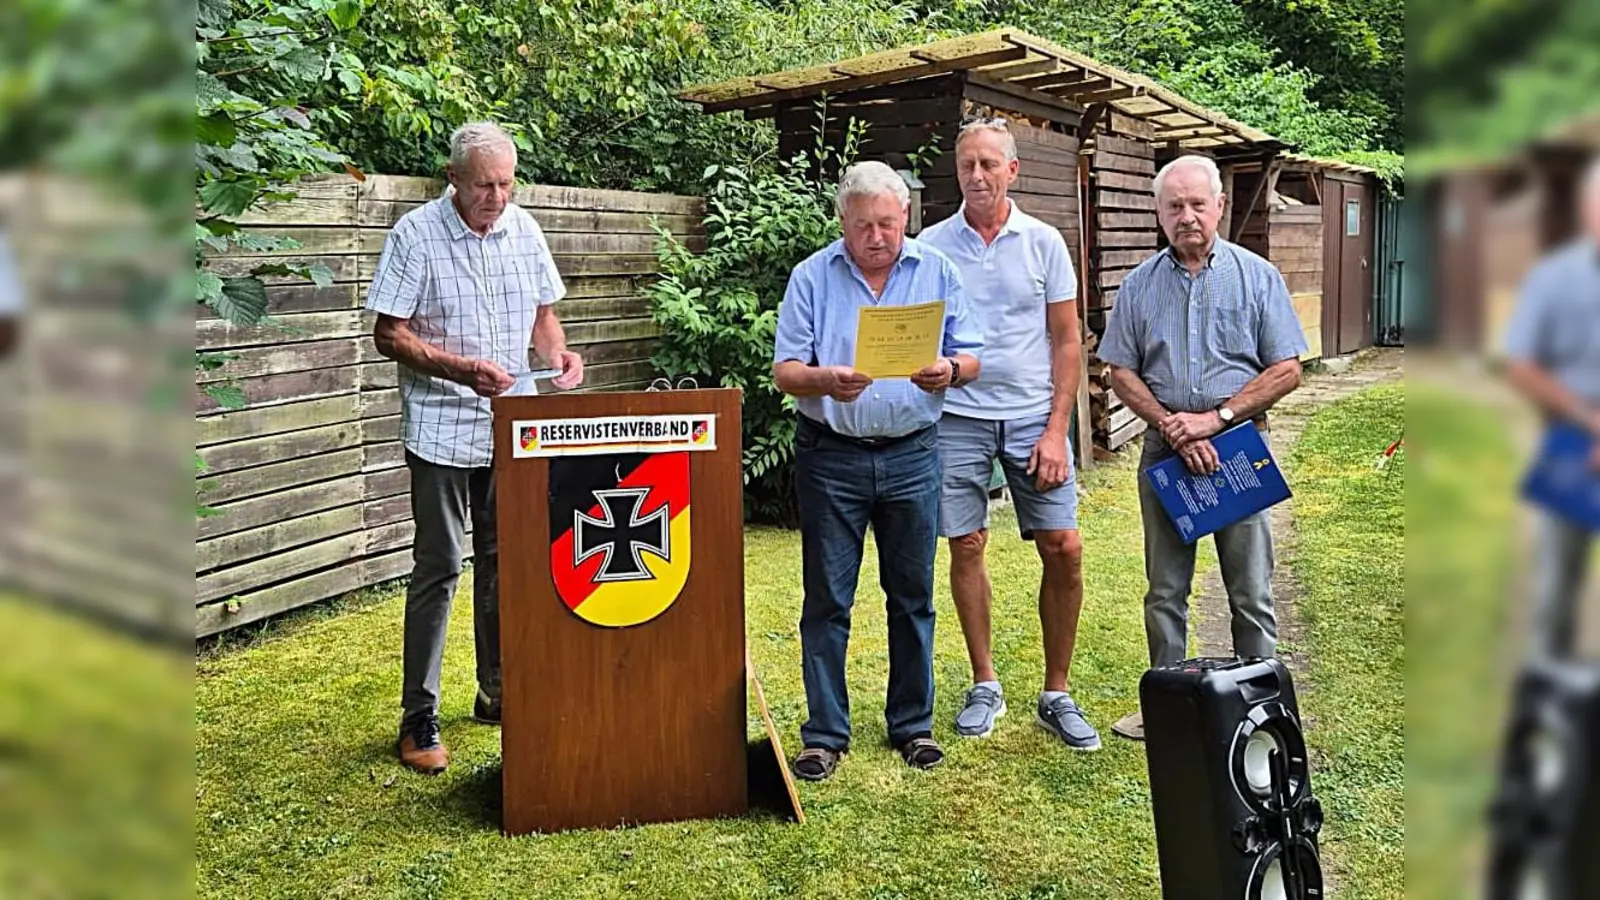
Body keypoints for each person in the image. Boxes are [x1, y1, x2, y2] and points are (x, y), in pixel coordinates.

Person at [365, 121, 584, 774]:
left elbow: (544, 317)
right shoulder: (414, 236)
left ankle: (498, 691)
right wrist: (461, 369)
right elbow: (389, 334)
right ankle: (418, 718)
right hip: (439, 426)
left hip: (508, 427)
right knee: (440, 565)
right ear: (453, 178)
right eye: (486, 183)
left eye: (508, 183)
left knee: (504, 562)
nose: (498, 195)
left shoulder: (525, 229)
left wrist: (560, 357)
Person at [773, 160, 984, 781]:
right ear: (842, 221)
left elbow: (972, 355)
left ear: (907, 219)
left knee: (913, 596)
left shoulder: (938, 271)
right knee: (827, 600)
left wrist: (950, 370)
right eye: (863, 225)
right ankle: (824, 734)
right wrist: (824, 380)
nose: (876, 236)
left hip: (912, 453)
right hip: (830, 455)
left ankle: (912, 725)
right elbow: (786, 371)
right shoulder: (812, 276)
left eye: (888, 224)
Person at [1096, 154, 1307, 741]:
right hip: (1168, 455)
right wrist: (1172, 425)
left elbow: (1287, 368)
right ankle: (1168, 707)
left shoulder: (1256, 276)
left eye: (1197, 204)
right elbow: (1119, 370)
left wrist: (1214, 420)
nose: (1187, 216)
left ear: (1220, 206)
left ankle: (1262, 709)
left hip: (1236, 450)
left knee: (1250, 589)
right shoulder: (1139, 285)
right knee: (1165, 590)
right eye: (1174, 206)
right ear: (1159, 213)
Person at [917, 118, 1099, 750]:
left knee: (1064, 546)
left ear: (1013, 171)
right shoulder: (931, 245)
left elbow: (1067, 339)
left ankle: (1057, 691)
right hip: (957, 417)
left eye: (990, 164)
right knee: (964, 545)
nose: (977, 175)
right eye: (967, 164)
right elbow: (915, 330)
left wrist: (1056, 429)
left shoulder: (1045, 242)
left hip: (1031, 416)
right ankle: (984, 682)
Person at [1503, 153, 1600, 659]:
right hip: (1571, 445)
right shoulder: (1553, 278)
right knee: (1555, 589)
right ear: (1587, 212)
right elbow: (1520, 365)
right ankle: (1547, 702)